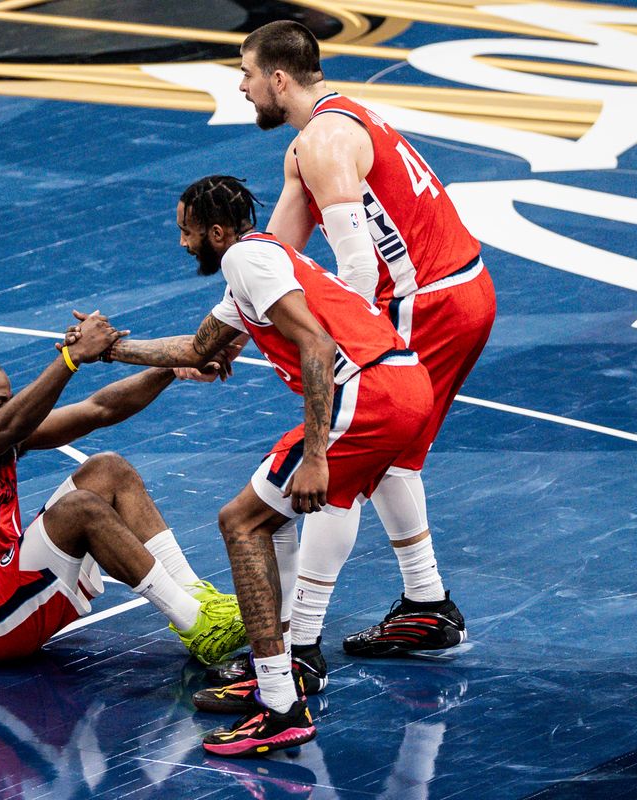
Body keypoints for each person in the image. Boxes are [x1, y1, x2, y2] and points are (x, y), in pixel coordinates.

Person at [106, 175, 434, 757]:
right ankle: (280, 673)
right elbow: (197, 350)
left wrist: (314, 457)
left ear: (214, 232)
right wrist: (106, 348)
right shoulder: (265, 261)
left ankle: (281, 706)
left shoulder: (243, 259)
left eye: (186, 233)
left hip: (369, 393)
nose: (183, 245)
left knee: (242, 522)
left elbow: (315, 345)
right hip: (404, 385)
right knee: (268, 519)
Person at [235, 20, 496, 664]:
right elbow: (271, 257)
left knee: (342, 465)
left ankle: (298, 646)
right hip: (463, 291)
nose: (240, 89)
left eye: (245, 75)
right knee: (392, 460)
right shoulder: (322, 134)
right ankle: (426, 605)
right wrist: (220, 338)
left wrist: (330, 346)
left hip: (422, 302)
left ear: (278, 78)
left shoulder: (323, 143)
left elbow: (354, 270)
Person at [0, 325, 247, 668]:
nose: (7, 410)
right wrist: (70, 358)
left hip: (12, 592)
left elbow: (100, 409)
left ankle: (197, 598)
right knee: (79, 508)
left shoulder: (1, 438)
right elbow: (9, 425)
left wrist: (171, 369)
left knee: (108, 468)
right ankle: (196, 625)